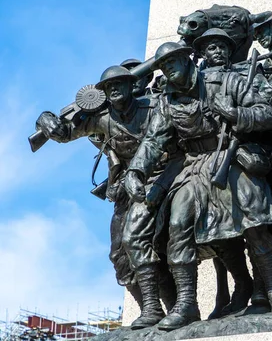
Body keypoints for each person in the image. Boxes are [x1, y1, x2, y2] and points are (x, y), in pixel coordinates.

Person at [124, 29, 272, 330]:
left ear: (188, 60)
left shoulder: (227, 81)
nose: (169, 69)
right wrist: (136, 171)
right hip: (194, 168)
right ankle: (187, 304)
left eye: (174, 62)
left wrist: (238, 113)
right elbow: (153, 141)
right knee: (178, 224)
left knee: (254, 221)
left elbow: (267, 113)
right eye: (164, 66)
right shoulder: (168, 100)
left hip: (231, 155)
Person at [35, 66, 180, 329]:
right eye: (108, 87)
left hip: (162, 177)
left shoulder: (153, 107)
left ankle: (156, 309)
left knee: (137, 241)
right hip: (127, 189)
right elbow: (64, 133)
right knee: (119, 257)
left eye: (119, 84)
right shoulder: (102, 118)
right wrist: (44, 119)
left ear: (130, 86)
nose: (114, 89)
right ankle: (153, 309)